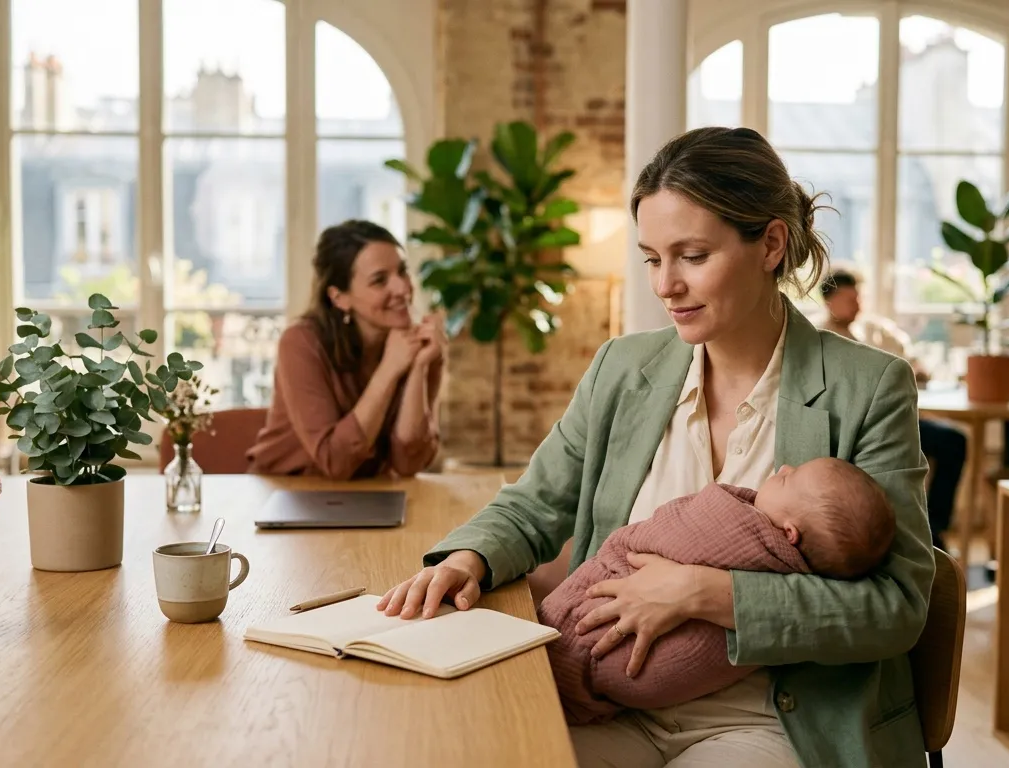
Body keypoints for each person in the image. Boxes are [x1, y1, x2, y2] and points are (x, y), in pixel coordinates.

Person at [378, 127, 935, 767]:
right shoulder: (623, 367)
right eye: (651, 258)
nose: (665, 285)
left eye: (692, 256)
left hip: (768, 725)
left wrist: (703, 593)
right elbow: (535, 505)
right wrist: (467, 559)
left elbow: (896, 608)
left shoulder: (869, 387)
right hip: (608, 704)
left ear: (771, 244)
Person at [541, 457, 895, 726]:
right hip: (635, 714)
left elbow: (669, 529)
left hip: (752, 721)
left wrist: (693, 587)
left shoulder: (739, 526)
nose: (783, 466)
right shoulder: (625, 369)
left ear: (790, 535)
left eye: (787, 479)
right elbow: (536, 501)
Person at [245, 220, 445, 479]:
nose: (403, 288)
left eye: (402, 271)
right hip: (289, 493)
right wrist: (389, 370)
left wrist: (419, 366)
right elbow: (335, 461)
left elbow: (409, 462)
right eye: (379, 280)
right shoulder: (300, 343)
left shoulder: (413, 344)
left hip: (366, 497)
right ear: (339, 297)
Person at [818, 268, 966, 550]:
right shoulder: (817, 337)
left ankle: (934, 529)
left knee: (954, 441)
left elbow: (910, 360)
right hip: (853, 424)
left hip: (896, 417)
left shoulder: (874, 331)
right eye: (849, 299)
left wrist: (918, 371)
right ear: (830, 301)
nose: (858, 305)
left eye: (858, 298)